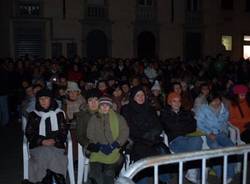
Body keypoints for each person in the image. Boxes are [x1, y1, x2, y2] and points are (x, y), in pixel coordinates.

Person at [121, 85, 170, 184]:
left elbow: (158, 125)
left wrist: (150, 135)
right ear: (133, 97)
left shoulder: (150, 108)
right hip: (136, 141)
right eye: (138, 95)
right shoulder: (126, 109)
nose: (141, 97)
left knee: (162, 151)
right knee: (142, 155)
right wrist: (145, 136)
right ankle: (142, 181)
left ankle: (163, 180)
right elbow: (128, 128)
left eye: (142, 95)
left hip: (152, 139)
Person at [25, 89, 68, 183]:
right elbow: (29, 133)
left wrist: (54, 140)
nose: (43, 101)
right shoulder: (33, 115)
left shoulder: (59, 114)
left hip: (56, 144)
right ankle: (58, 177)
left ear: (51, 100)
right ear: (38, 101)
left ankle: (41, 180)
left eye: (46, 98)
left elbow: (64, 132)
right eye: (41, 99)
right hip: (38, 146)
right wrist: (41, 141)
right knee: (46, 152)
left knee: (48, 152)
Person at [160, 92, 203, 183]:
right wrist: (184, 128)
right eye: (174, 101)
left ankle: (191, 171)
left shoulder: (185, 112)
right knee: (198, 152)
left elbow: (193, 125)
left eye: (179, 101)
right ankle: (193, 171)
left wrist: (180, 128)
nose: (177, 103)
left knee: (198, 139)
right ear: (169, 102)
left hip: (188, 139)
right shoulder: (165, 113)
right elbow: (171, 127)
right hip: (175, 141)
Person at [86, 96, 129, 184]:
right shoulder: (94, 118)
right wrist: (100, 146)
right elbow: (90, 134)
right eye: (102, 105)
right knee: (95, 174)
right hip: (98, 150)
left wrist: (114, 145)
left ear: (110, 106)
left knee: (108, 173)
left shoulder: (118, 118)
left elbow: (124, 132)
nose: (105, 107)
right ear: (99, 106)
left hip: (114, 150)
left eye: (107, 105)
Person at [195, 92, 235, 183]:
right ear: (209, 102)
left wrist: (225, 132)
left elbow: (225, 122)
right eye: (213, 101)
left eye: (217, 100)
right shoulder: (203, 109)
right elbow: (199, 124)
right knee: (217, 148)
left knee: (231, 147)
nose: (216, 103)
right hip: (209, 134)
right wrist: (209, 133)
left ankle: (229, 174)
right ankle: (220, 173)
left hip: (221, 133)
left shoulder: (223, 109)